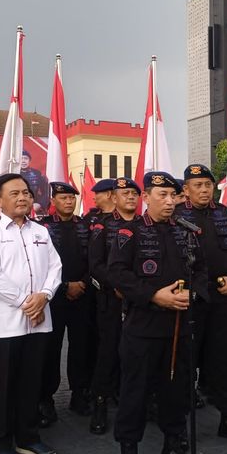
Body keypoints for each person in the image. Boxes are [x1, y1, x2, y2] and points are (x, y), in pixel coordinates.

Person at [108, 171, 207, 454]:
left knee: (176, 391)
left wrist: (194, 294)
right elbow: (117, 273)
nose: (168, 201)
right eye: (161, 195)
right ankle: (129, 447)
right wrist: (153, 295)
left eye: (173, 195)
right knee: (134, 392)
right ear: (146, 197)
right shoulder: (131, 232)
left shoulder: (186, 231)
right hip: (143, 327)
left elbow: (201, 270)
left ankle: (173, 442)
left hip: (179, 326)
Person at [0, 173, 62, 454]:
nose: (23, 197)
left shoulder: (41, 232)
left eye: (26, 192)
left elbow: (55, 268)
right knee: (0, 388)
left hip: (37, 324)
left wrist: (45, 295)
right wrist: (28, 302)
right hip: (2, 326)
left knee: (30, 384)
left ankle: (27, 437)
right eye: (14, 193)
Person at [174, 164, 227, 444]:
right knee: (185, 363)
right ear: (186, 190)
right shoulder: (175, 216)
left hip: (223, 298)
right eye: (197, 185)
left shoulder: (225, 215)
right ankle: (178, 427)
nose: (204, 190)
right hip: (188, 301)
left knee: (221, 361)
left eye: (208, 184)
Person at [38, 182, 96, 426]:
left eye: (72, 198)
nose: (69, 202)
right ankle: (46, 399)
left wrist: (81, 283)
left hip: (82, 296)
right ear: (54, 201)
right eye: (63, 198)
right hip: (54, 298)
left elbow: (95, 258)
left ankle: (79, 394)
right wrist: (64, 286)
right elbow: (40, 264)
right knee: (50, 350)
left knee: (81, 348)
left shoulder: (86, 226)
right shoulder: (42, 229)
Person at [88, 177, 142, 435]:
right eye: (124, 193)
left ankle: (135, 398)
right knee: (107, 352)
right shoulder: (102, 226)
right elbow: (96, 264)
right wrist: (118, 286)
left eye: (134, 193)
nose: (130, 197)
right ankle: (100, 401)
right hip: (112, 299)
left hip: (141, 301)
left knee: (138, 353)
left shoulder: (147, 225)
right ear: (114, 198)